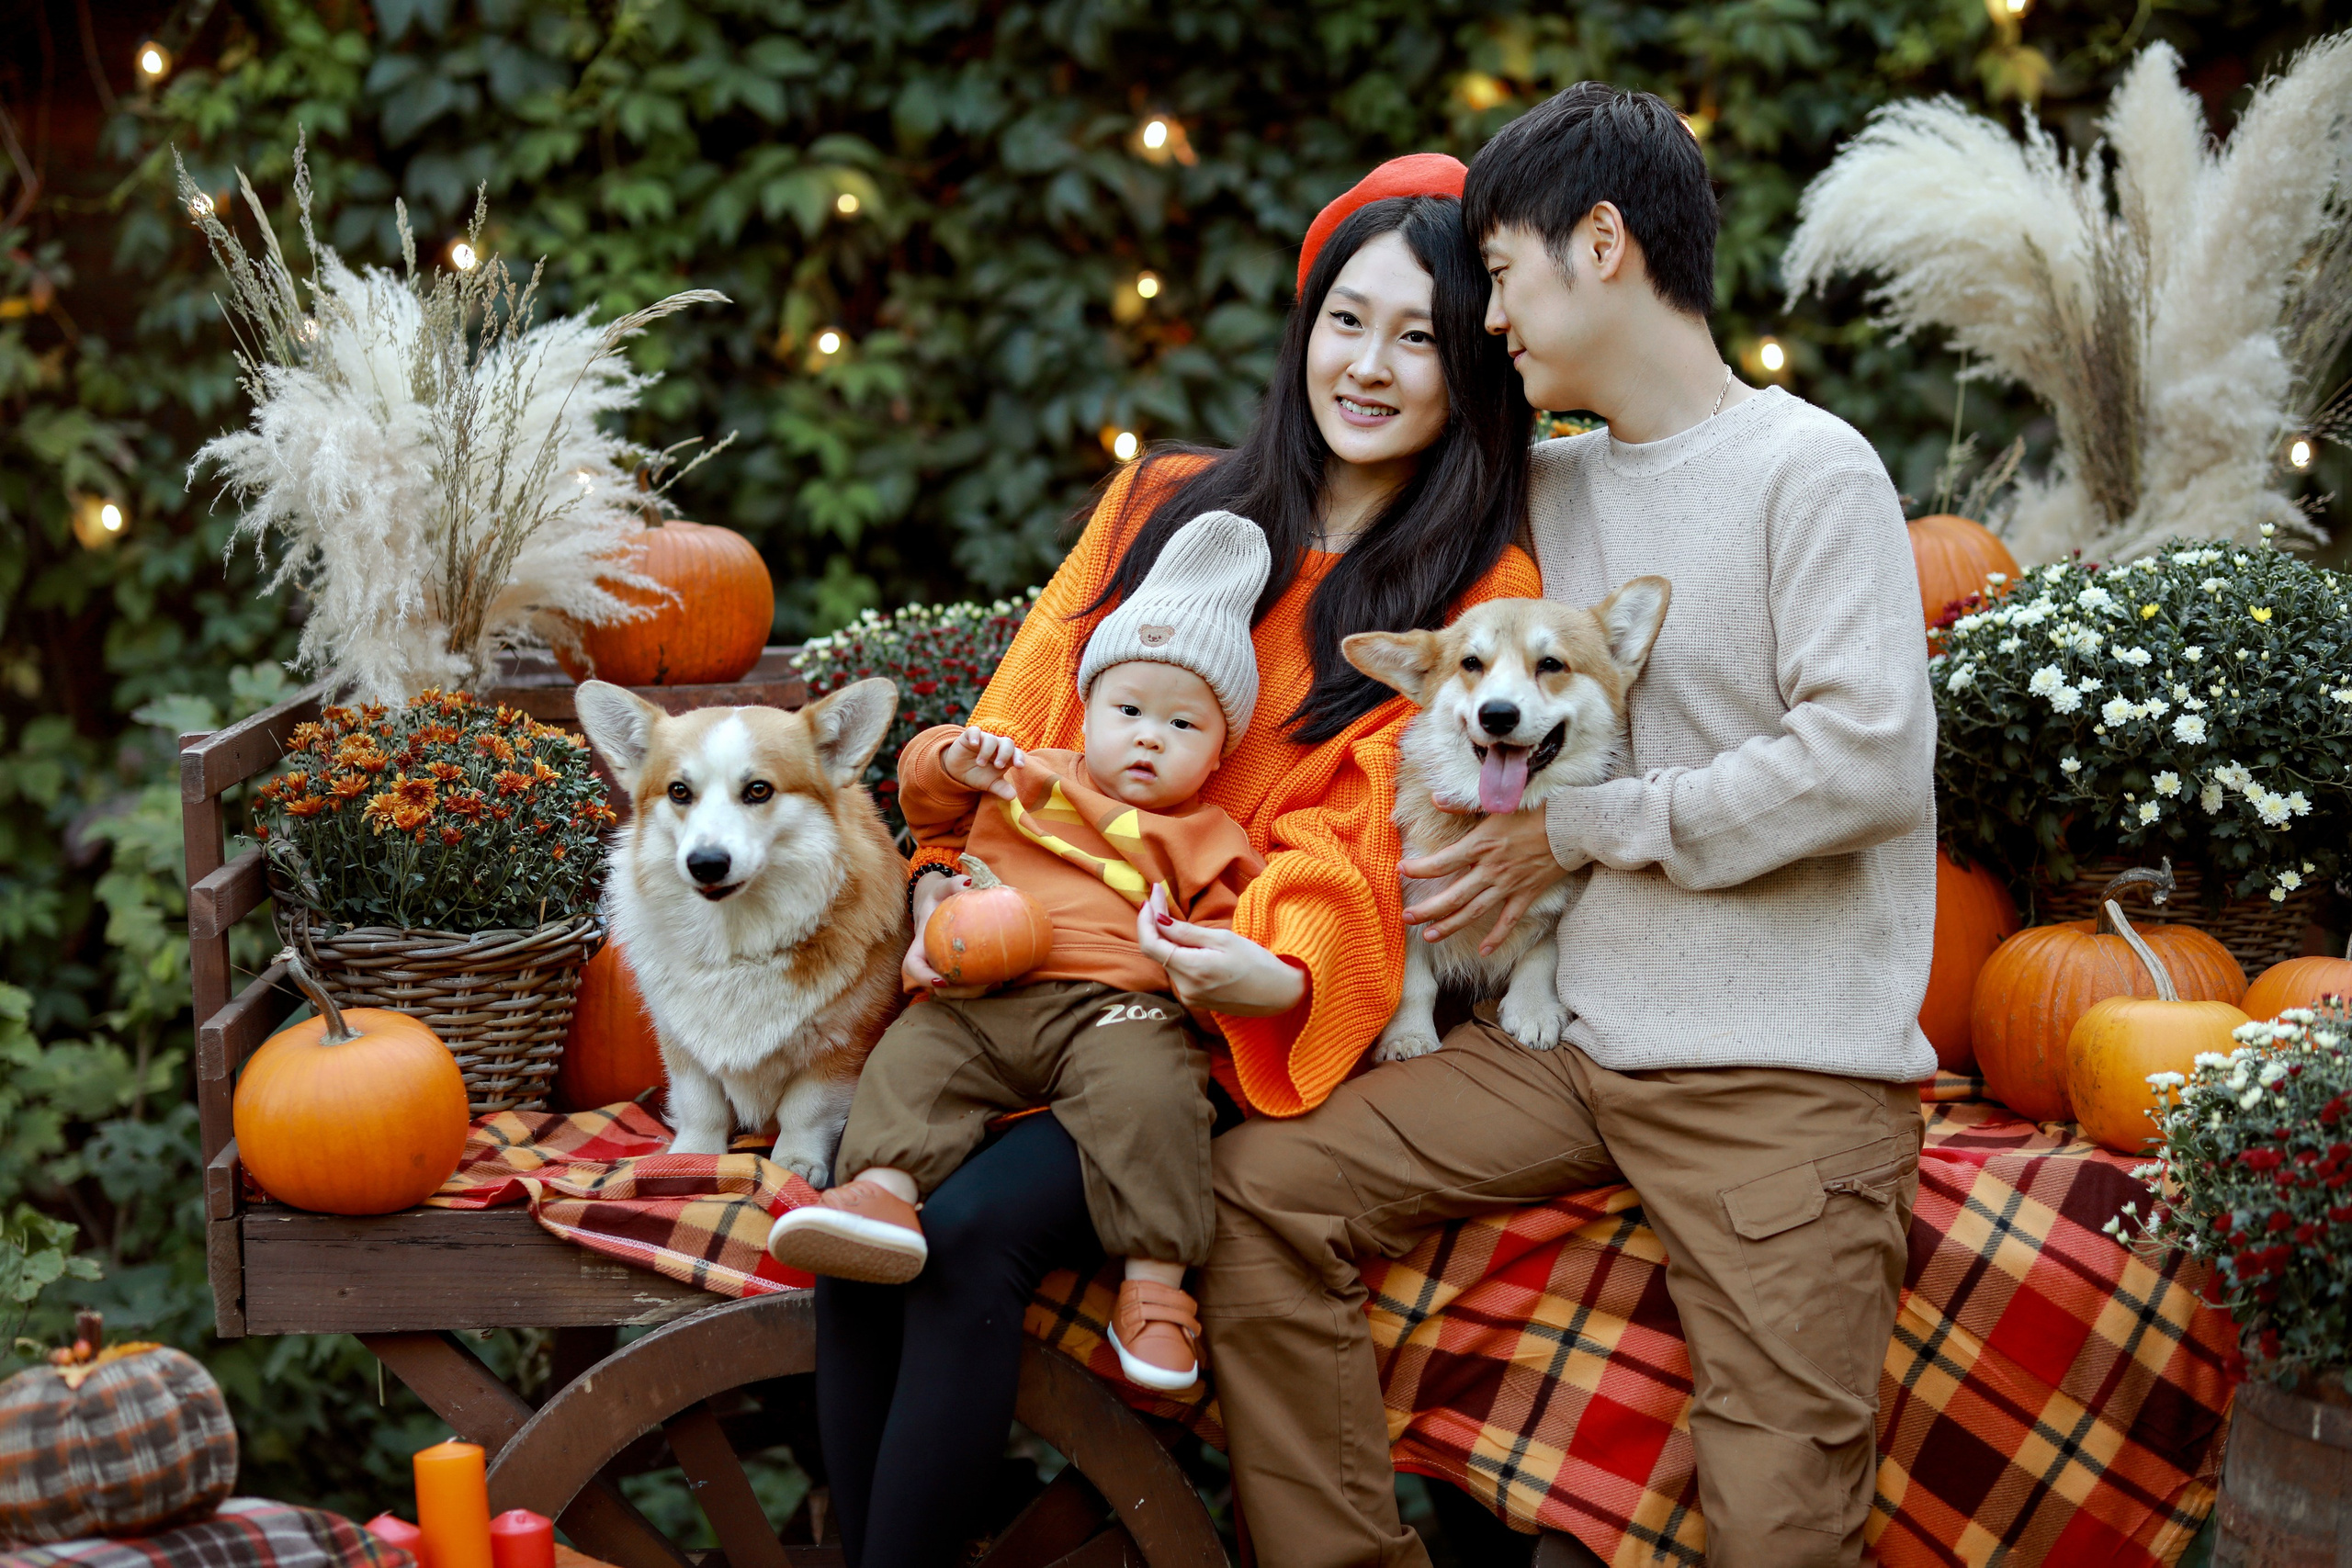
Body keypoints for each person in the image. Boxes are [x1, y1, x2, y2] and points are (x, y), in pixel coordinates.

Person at [1198, 85, 1937, 1568]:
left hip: (1774, 1079)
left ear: (1602, 243)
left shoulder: (1813, 469)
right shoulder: (1541, 481)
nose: (1484, 318)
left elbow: (1867, 762)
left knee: (1782, 1522)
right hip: (1566, 1046)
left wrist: (1593, 823)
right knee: (1259, 1199)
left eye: (1501, 273)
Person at [812, 154, 1542, 1568]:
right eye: (1348, 318)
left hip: (1194, 1024)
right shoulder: (1163, 501)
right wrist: (936, 877)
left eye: (1421, 338)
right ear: (1304, 323)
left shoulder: (1471, 592)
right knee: (863, 1228)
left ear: (1471, 373)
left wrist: (1270, 962)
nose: (1371, 366)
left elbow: (1361, 837)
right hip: (1014, 969)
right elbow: (1019, 723)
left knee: (964, 1238)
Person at [770, 509, 1275, 1393]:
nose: (1150, 735)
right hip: (987, 988)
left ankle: (1156, 1292)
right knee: (914, 1056)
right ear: (1086, 710)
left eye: (1184, 725)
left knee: (1156, 1101)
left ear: (1223, 750)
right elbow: (925, 801)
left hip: (1121, 1005)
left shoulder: (1212, 837)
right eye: (1128, 710)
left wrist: (1205, 959)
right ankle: (882, 1190)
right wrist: (954, 758)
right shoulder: (1033, 773)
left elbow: (1231, 929)